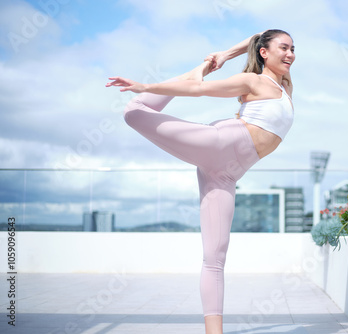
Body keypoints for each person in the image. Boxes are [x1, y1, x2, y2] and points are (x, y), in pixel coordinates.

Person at [106, 29, 295, 334]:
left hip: (225, 173)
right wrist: (147, 85)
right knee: (134, 111)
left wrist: (223, 55)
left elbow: (256, 36)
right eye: (283, 48)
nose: (290, 54)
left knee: (215, 256)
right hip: (220, 142)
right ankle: (191, 72)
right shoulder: (254, 81)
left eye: (292, 49)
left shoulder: (284, 84)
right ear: (264, 53)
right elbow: (200, 91)